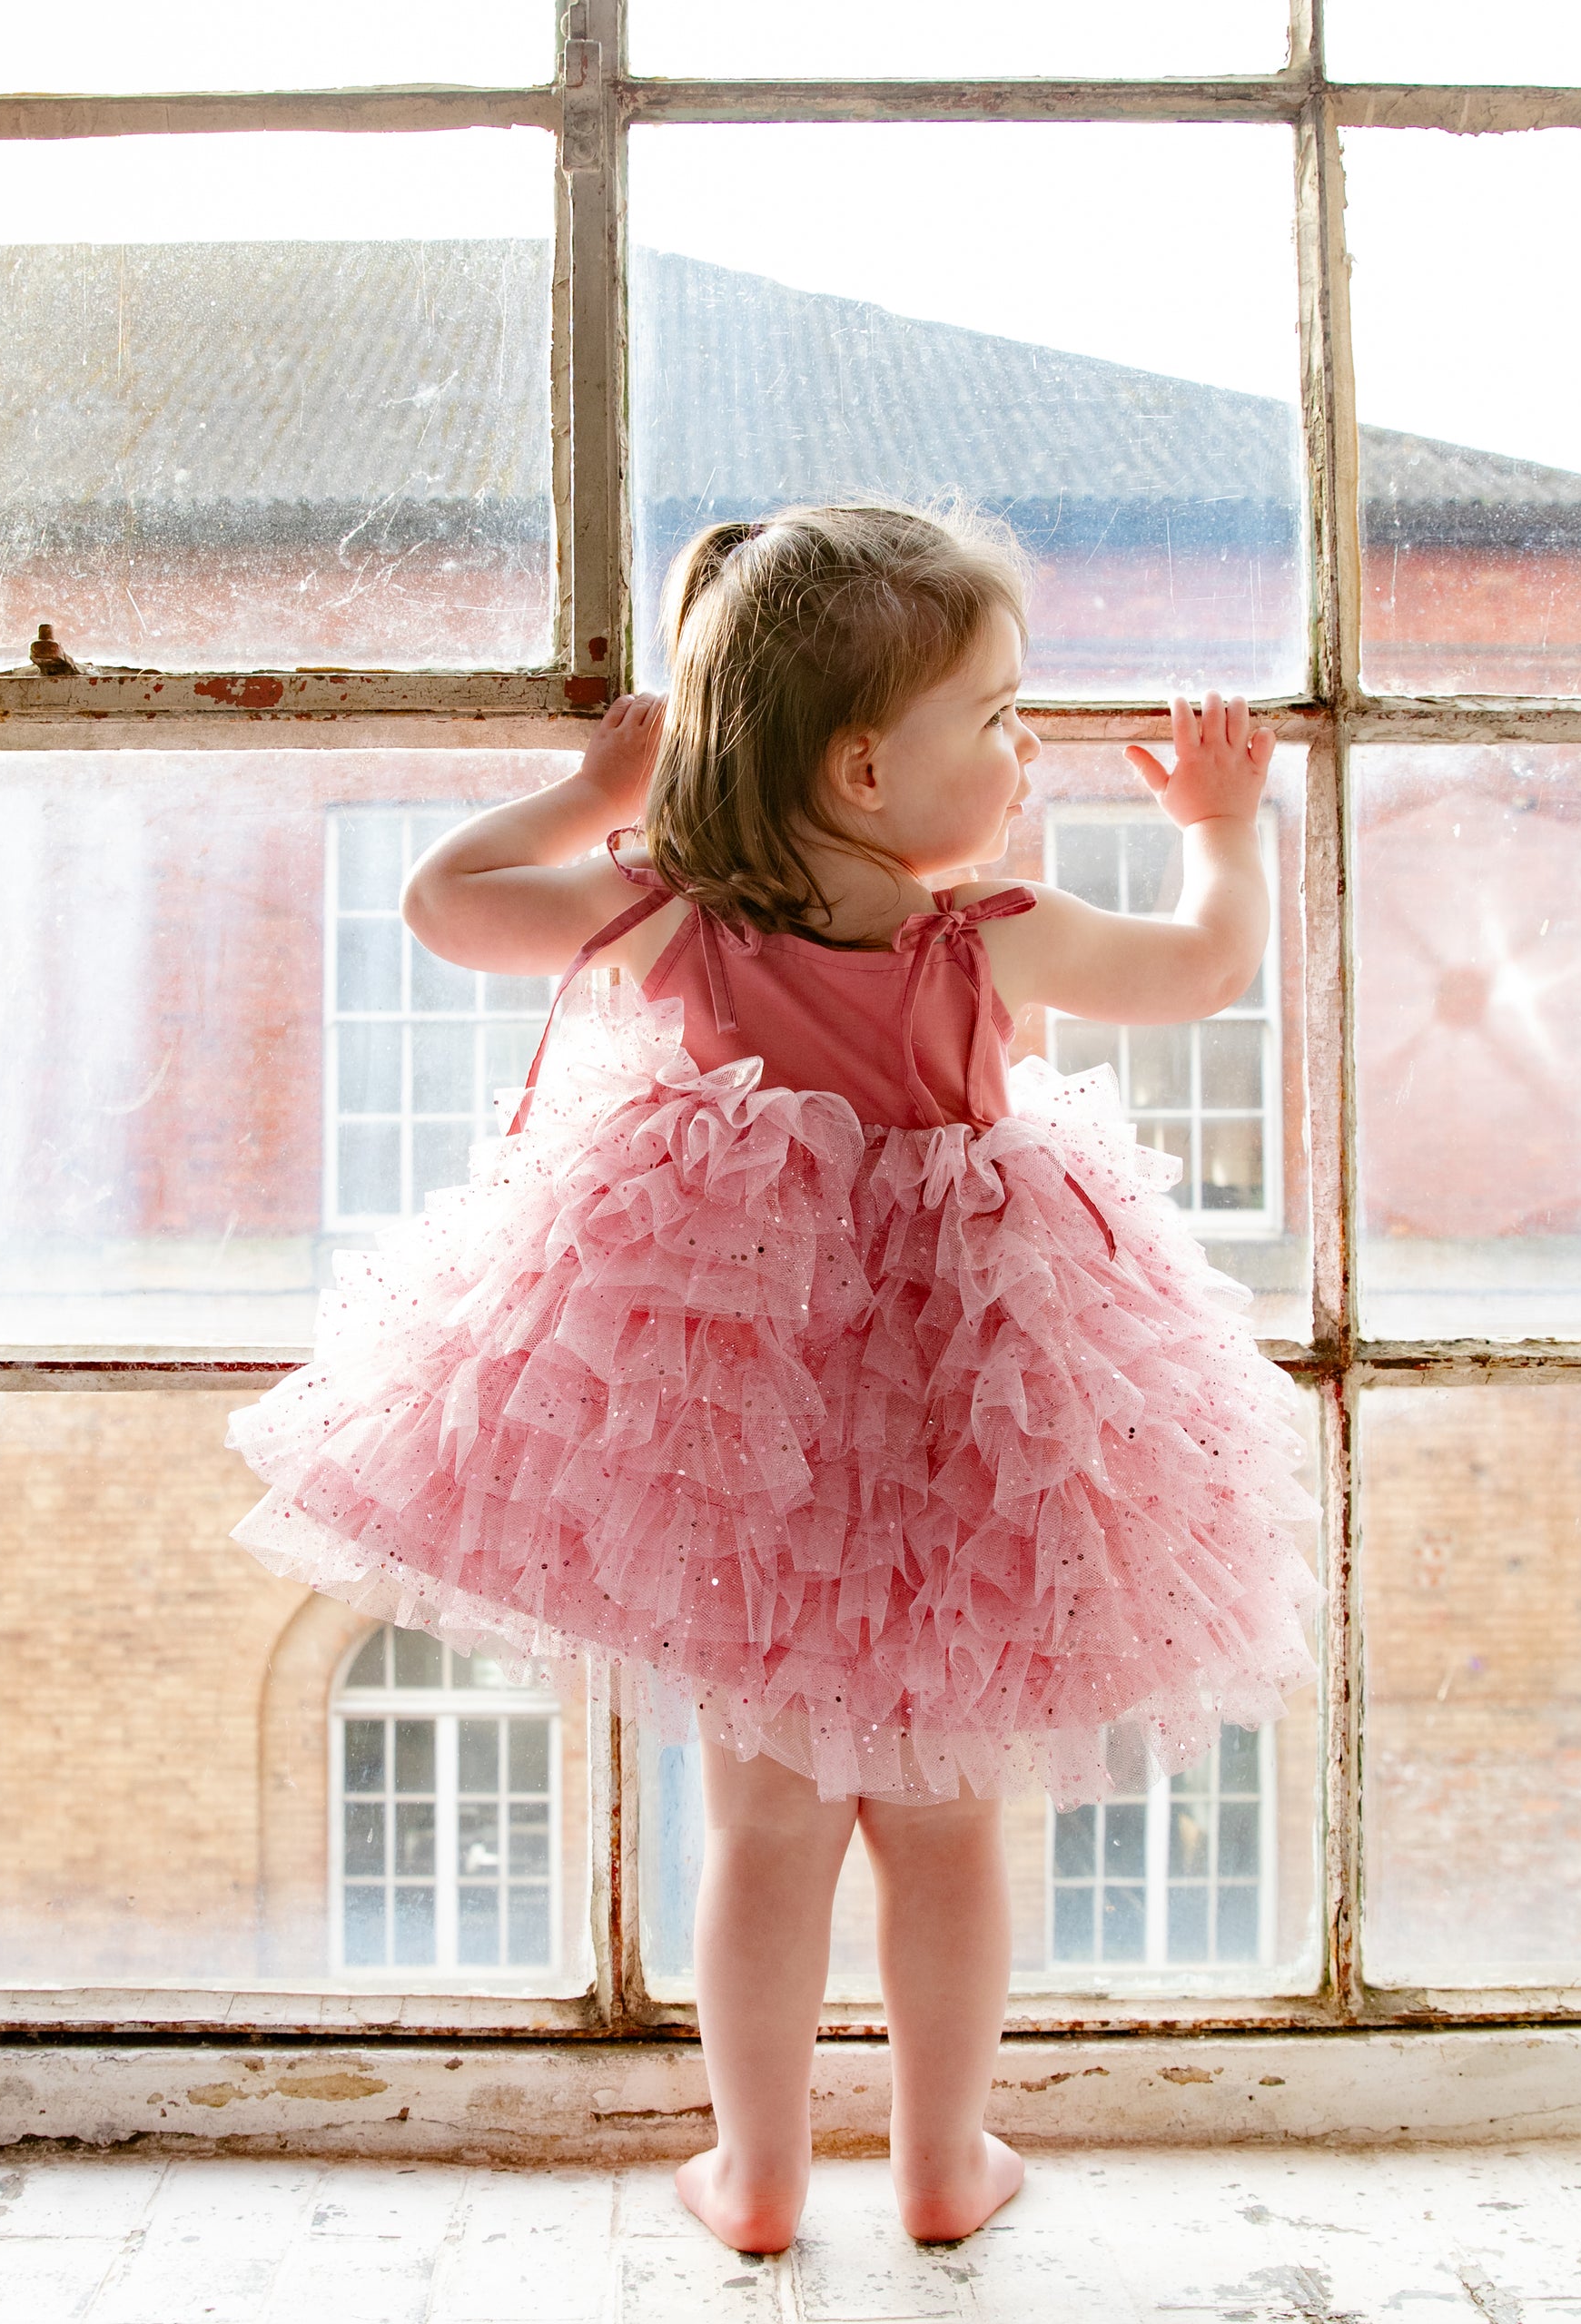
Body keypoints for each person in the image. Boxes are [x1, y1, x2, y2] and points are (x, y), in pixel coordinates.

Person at [226, 503, 1319, 2253]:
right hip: (966, 1419)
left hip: (752, 1435)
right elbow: (1208, 965)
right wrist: (1225, 825)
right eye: (1002, 719)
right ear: (869, 765)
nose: (1027, 749)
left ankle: (758, 2179)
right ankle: (948, 2163)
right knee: (948, 1825)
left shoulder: (679, 919)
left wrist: (598, 793)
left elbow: (445, 905)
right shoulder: (993, 941)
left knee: (765, 1825)